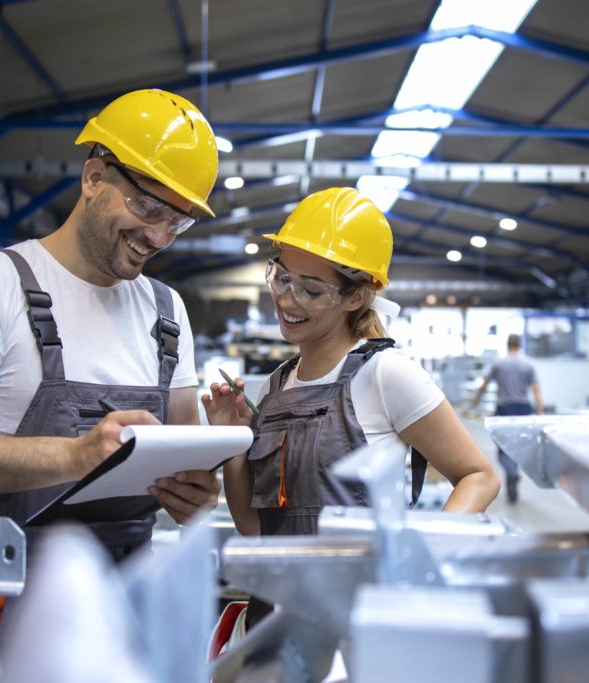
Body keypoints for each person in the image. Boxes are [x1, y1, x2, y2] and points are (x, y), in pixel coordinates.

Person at [0, 88, 222, 566]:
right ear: (94, 177)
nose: (158, 237)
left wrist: (195, 495)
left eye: (177, 222)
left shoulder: (166, 310)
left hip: (126, 601)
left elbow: (180, 459)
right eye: (148, 208)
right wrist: (75, 456)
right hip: (6, 605)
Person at [202, 187, 501, 626]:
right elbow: (254, 529)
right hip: (274, 622)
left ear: (356, 296)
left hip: (361, 622)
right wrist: (232, 442)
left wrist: (417, 559)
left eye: (310, 289)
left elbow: (481, 477)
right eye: (282, 278)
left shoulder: (385, 374)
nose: (287, 300)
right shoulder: (273, 389)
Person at [469, 333, 544, 503]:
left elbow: (484, 385)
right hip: (524, 409)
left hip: (504, 409)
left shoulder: (499, 364)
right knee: (519, 445)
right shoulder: (528, 364)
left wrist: (475, 401)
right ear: (520, 345)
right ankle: (514, 471)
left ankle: (511, 471)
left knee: (503, 448)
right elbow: (536, 389)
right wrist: (540, 410)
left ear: (507, 344)